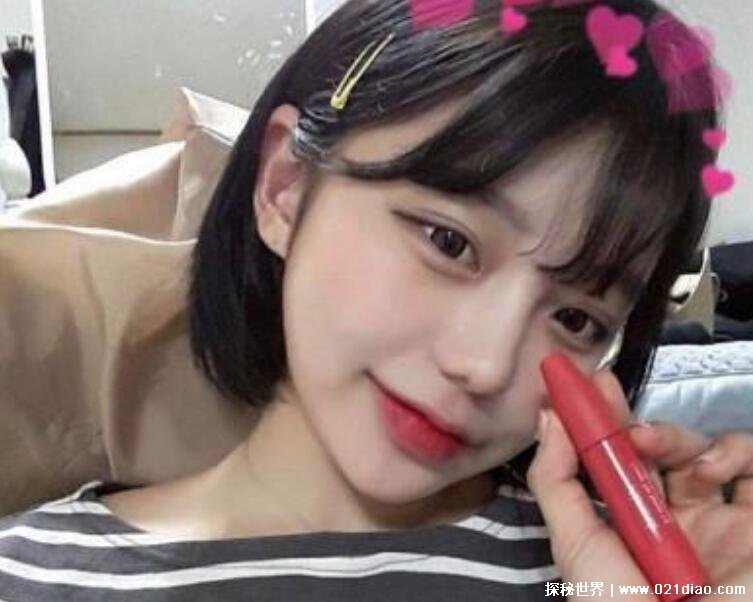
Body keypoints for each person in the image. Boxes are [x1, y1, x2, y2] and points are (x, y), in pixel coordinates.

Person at [1, 0, 752, 599]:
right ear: (286, 188)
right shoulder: (33, 575)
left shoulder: (601, 574)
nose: (485, 364)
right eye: (448, 242)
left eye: (575, 318)